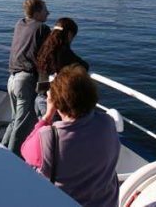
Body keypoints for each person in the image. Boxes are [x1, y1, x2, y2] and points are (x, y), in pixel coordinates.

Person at [21, 65, 120, 207]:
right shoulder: (107, 123)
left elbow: (25, 151)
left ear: (56, 103)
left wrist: (47, 116)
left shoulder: (48, 138)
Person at [1, 0, 50, 157]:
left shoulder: (20, 24)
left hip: (12, 79)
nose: (48, 13)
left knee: (15, 120)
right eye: (45, 10)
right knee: (22, 125)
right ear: (36, 13)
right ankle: (11, 160)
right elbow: (46, 56)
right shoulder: (42, 28)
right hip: (26, 81)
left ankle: (1, 150)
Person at [35, 18, 89, 117]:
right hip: (52, 102)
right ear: (69, 34)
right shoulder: (63, 52)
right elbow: (84, 66)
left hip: (40, 97)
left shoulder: (45, 49)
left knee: (43, 125)